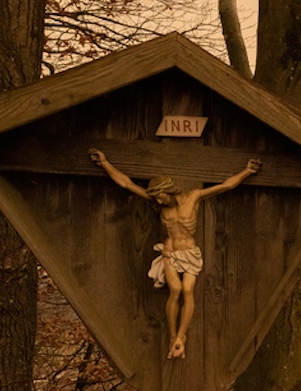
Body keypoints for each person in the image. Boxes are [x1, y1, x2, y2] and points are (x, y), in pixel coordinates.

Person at [89, 149, 260, 358]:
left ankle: (182, 336)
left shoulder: (193, 197)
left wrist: (247, 171)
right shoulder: (157, 204)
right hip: (170, 252)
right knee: (176, 290)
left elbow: (226, 185)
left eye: (161, 197)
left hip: (190, 252)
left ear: (168, 190)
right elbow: (127, 183)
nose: (159, 202)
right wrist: (105, 163)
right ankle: (173, 337)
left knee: (188, 291)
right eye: (157, 200)